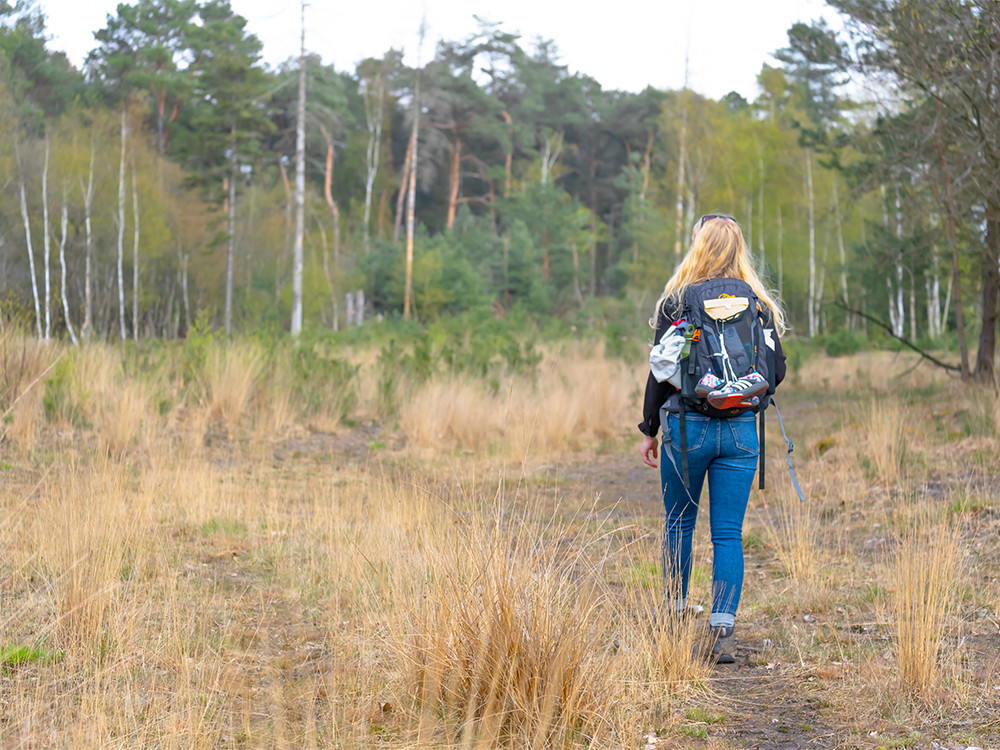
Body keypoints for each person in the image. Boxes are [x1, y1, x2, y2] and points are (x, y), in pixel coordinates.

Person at [638, 214, 787, 663]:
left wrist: (649, 428)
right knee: (727, 533)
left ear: (698, 246)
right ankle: (722, 629)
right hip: (741, 432)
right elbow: (776, 372)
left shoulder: (678, 303)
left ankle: (674, 617)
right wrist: (739, 391)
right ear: (739, 249)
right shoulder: (758, 304)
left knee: (679, 524)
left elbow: (661, 373)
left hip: (687, 430)